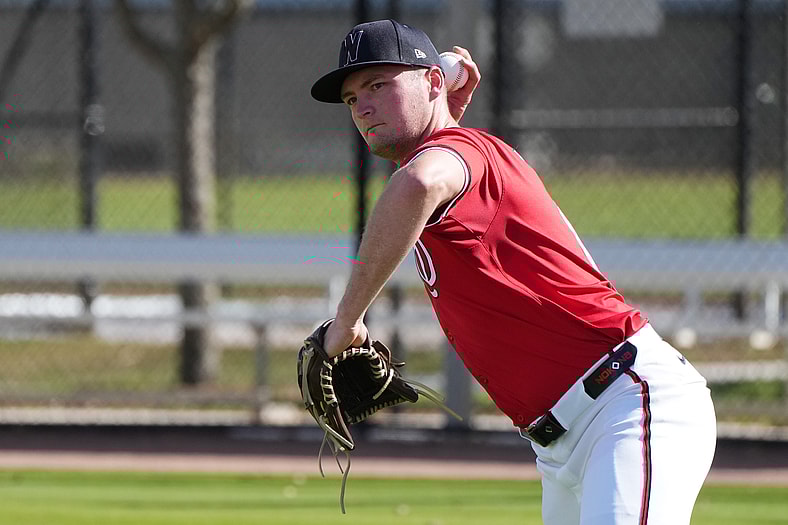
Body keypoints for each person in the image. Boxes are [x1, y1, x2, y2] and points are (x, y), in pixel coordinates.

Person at [310, 19, 716, 525]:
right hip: (560, 444)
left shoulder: (451, 159)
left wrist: (347, 321)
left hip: (624, 407)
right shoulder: (459, 156)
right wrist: (441, 117)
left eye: (378, 85)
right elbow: (425, 175)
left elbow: (418, 181)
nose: (363, 106)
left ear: (434, 82)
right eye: (351, 99)